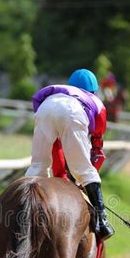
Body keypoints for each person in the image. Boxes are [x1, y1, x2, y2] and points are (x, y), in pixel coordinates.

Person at [25, 68, 115, 240]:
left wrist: (60, 175)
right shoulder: (95, 102)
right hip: (73, 113)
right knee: (85, 171)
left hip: (45, 107)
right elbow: (97, 149)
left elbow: (56, 147)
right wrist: (82, 179)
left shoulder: (60, 92)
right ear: (94, 91)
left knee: (37, 168)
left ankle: (22, 214)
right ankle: (102, 222)